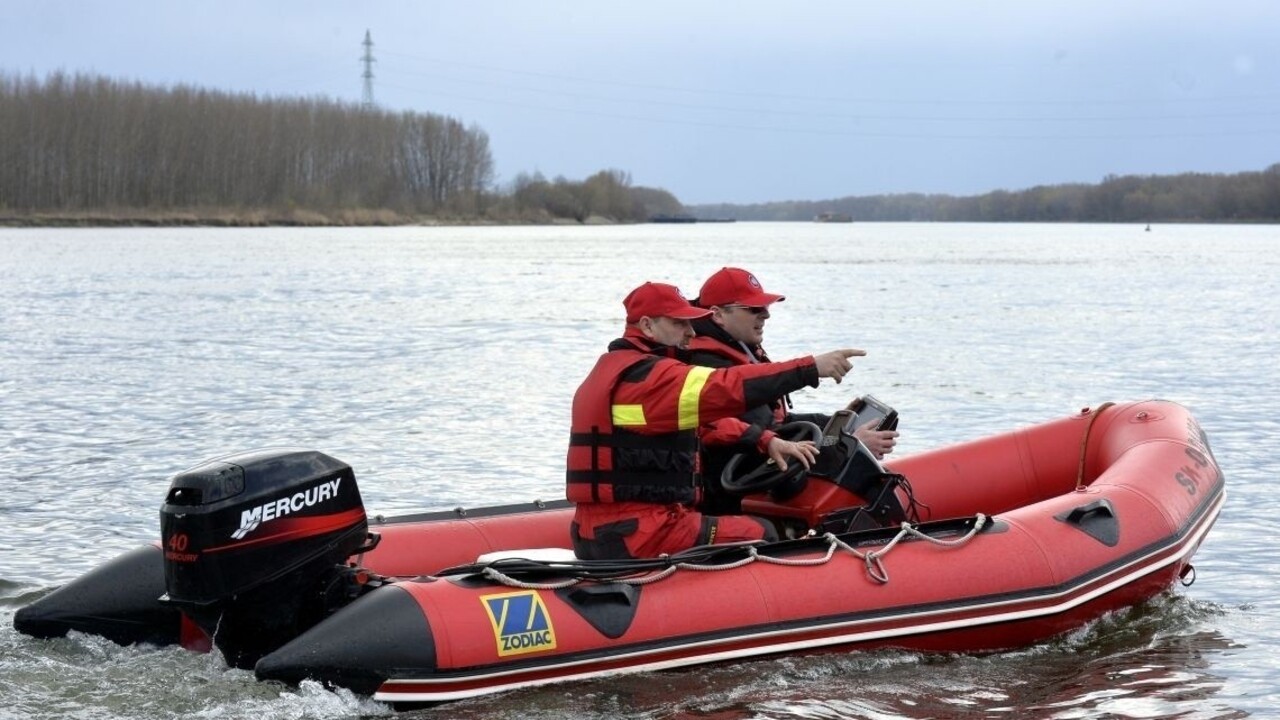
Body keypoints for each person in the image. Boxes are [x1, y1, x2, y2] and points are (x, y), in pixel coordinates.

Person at [567, 281, 863, 560]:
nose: (691, 332)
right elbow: (726, 386)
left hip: (597, 531)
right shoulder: (652, 378)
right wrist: (810, 368)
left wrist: (765, 439)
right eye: (679, 323)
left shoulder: (615, 372)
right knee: (764, 532)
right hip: (644, 531)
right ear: (647, 325)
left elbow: (707, 425)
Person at [688, 267, 899, 515]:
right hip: (727, 502)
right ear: (718, 315)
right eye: (753, 309)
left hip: (745, 486)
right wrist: (851, 447)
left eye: (765, 308)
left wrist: (832, 422)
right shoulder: (709, 365)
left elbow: (777, 423)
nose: (765, 315)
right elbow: (763, 445)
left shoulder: (738, 349)